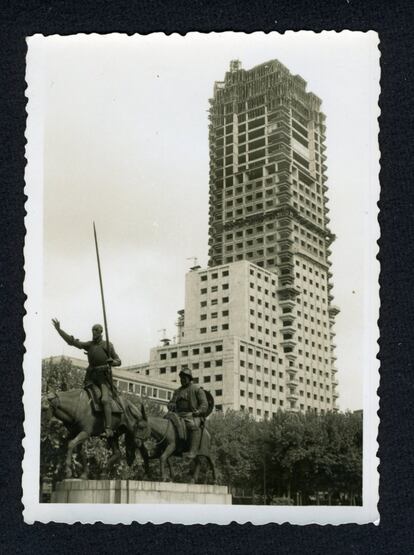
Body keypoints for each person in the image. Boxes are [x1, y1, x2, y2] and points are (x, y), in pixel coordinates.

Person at [52, 318, 121, 438]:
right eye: (93, 330)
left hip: (103, 379)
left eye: (96, 331)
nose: (94, 333)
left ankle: (108, 428)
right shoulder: (90, 345)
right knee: (82, 399)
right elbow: (73, 342)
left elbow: (118, 361)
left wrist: (112, 362)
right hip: (90, 379)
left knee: (104, 400)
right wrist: (59, 330)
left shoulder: (108, 345)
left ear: (101, 332)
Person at [168, 367, 208, 459]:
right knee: (165, 421)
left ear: (189, 378)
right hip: (177, 414)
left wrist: (199, 411)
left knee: (193, 425)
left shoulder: (197, 389)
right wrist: (171, 404)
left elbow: (204, 404)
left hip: (191, 414)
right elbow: (171, 402)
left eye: (184, 378)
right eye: (181, 378)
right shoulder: (177, 391)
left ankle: (193, 451)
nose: (182, 380)